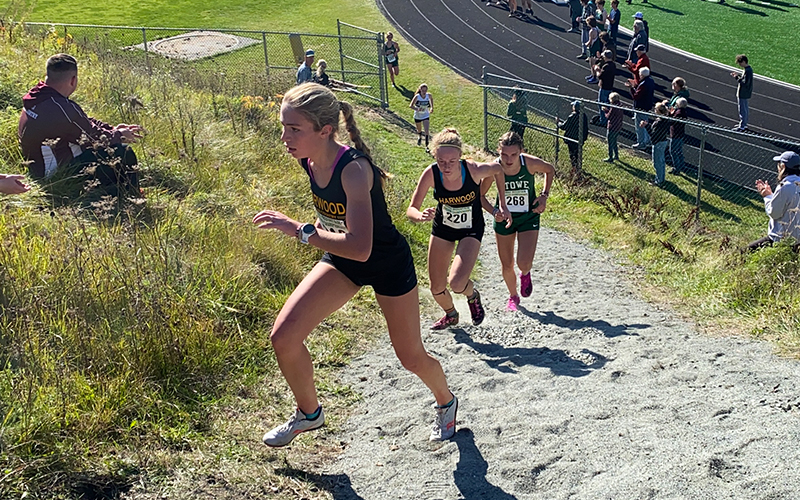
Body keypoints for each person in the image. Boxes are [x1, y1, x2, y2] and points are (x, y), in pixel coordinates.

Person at [254, 83, 458, 446]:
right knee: (283, 337)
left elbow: (362, 248)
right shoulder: (307, 158)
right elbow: (343, 238)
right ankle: (309, 413)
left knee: (411, 357)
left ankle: (446, 401)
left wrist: (299, 230)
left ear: (325, 130)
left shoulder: (353, 170)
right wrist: (315, 231)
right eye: (283, 126)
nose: (284, 136)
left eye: (294, 128)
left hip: (385, 263)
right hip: (342, 260)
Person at [407, 128, 508, 330]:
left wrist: (502, 204)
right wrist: (420, 216)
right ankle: (451, 314)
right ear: (435, 157)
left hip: (471, 229)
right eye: (441, 161)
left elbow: (498, 169)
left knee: (457, 283)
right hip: (443, 229)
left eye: (452, 161)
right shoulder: (431, 173)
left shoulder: (473, 170)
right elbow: (411, 209)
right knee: (436, 287)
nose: (446, 166)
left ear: (460, 157)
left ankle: (472, 296)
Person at [18, 53, 142, 192]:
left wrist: (112, 129)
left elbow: (84, 123)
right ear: (73, 80)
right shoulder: (62, 108)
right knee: (123, 151)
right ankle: (130, 193)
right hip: (55, 175)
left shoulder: (38, 96)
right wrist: (119, 135)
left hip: (36, 168)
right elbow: (93, 139)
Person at [480, 132, 554, 311]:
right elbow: (480, 196)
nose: (508, 159)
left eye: (513, 154)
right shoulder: (494, 168)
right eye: (504, 154)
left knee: (524, 262)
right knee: (506, 264)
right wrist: (494, 211)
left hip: (529, 216)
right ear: (498, 152)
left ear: (521, 151)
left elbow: (550, 169)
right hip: (504, 220)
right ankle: (513, 296)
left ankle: (525, 274)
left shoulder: (529, 163)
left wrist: (544, 196)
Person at [748, 151, 800, 251]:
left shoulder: (784, 187)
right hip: (798, 240)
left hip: (781, 239)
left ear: (783, 166)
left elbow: (774, 213)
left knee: (744, 252)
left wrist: (767, 196)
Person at [640, 102, 670, 186]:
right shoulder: (665, 119)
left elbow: (653, 134)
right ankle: (661, 178)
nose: (654, 110)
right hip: (663, 141)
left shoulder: (659, 122)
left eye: (656, 109)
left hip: (658, 142)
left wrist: (646, 126)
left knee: (657, 162)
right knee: (661, 161)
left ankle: (659, 180)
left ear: (659, 111)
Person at [627, 66, 654, 149]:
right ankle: (648, 141)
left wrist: (631, 88)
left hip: (640, 107)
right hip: (646, 106)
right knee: (645, 124)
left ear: (642, 75)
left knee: (639, 126)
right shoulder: (651, 81)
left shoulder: (643, 84)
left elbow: (636, 96)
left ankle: (641, 143)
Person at [559, 100, 589, 174]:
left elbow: (564, 126)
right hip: (580, 138)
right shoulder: (584, 116)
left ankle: (574, 168)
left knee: (572, 154)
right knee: (578, 153)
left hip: (571, 138)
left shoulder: (572, 116)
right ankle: (578, 166)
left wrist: (558, 123)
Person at [730, 54, 753, 132]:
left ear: (743, 62)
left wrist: (737, 77)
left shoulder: (748, 71)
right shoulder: (747, 70)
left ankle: (742, 125)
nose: (739, 65)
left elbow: (745, 83)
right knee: (744, 108)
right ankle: (743, 123)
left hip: (743, 93)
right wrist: (738, 76)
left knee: (742, 109)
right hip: (744, 93)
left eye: (740, 63)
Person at [594, 50, 616, 125]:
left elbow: (600, 76)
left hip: (604, 87)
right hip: (610, 86)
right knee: (607, 104)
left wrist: (597, 70)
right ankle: (607, 117)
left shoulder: (606, 66)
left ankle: (603, 120)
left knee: (602, 104)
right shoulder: (613, 65)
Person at [410, 84, 433, 151]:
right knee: (419, 130)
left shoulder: (428, 95)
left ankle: (427, 146)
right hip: (418, 116)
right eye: (423, 90)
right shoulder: (417, 96)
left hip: (425, 115)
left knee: (426, 131)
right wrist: (417, 109)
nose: (424, 92)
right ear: (420, 90)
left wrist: (431, 107)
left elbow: (431, 99)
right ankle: (419, 136)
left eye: (425, 90)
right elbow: (411, 105)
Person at [668, 97, 687, 174]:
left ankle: (676, 168)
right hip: (680, 134)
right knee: (679, 151)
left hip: (675, 134)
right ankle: (682, 165)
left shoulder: (678, 113)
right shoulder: (684, 112)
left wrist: (670, 114)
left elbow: (672, 121)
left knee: (673, 151)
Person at [602, 92, 624, 162]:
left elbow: (609, 116)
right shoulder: (620, 105)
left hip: (612, 126)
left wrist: (605, 111)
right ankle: (616, 155)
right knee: (614, 141)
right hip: (618, 126)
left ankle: (610, 156)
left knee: (610, 142)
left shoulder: (613, 107)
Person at [584, 18, 602, 84]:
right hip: (596, 47)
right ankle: (592, 75)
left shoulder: (591, 31)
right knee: (592, 62)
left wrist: (586, 44)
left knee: (592, 63)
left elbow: (590, 41)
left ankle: (594, 77)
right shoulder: (597, 28)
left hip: (592, 47)